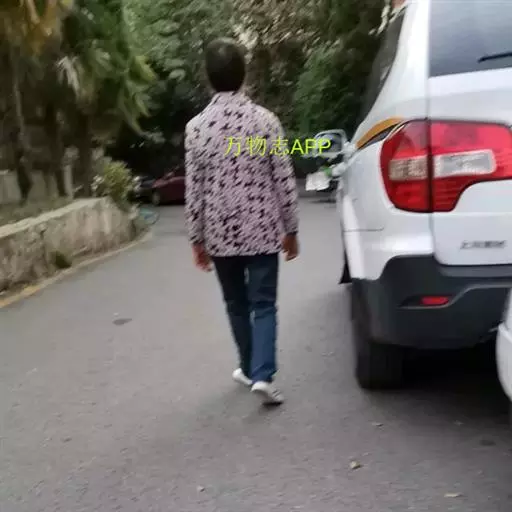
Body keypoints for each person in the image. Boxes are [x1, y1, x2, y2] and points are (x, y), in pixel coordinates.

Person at [184, 38, 300, 405]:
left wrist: (196, 238)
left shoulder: (196, 129)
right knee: (263, 303)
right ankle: (262, 375)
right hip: (262, 231)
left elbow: (194, 189)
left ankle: (250, 369)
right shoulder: (265, 122)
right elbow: (283, 178)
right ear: (244, 74)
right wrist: (291, 229)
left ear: (208, 78)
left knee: (236, 303)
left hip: (220, 234)